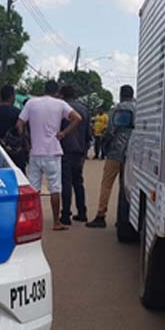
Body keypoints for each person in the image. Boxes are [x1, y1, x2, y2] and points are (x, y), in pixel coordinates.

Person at [17, 80, 83, 231]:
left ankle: (31, 221)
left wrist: (26, 140)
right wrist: (64, 133)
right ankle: (55, 222)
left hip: (35, 153)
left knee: (33, 190)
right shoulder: (60, 104)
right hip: (53, 152)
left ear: (43, 90)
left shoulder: (31, 103)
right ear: (56, 92)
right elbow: (77, 118)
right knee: (55, 188)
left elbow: (19, 124)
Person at [86, 85, 136, 229]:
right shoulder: (139, 109)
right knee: (125, 186)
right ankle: (123, 218)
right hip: (132, 153)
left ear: (121, 95)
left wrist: (105, 147)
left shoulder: (117, 109)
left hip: (115, 152)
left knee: (107, 184)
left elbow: (110, 131)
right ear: (132, 95)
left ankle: (101, 215)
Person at [58, 85, 92, 225]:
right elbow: (88, 134)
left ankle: (66, 214)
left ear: (62, 95)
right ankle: (82, 212)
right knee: (78, 182)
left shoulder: (62, 108)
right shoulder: (84, 109)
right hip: (80, 150)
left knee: (66, 182)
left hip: (65, 149)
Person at [0, 84, 27, 171]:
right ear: (13, 97)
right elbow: (24, 134)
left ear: (0, 97)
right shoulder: (19, 114)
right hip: (16, 155)